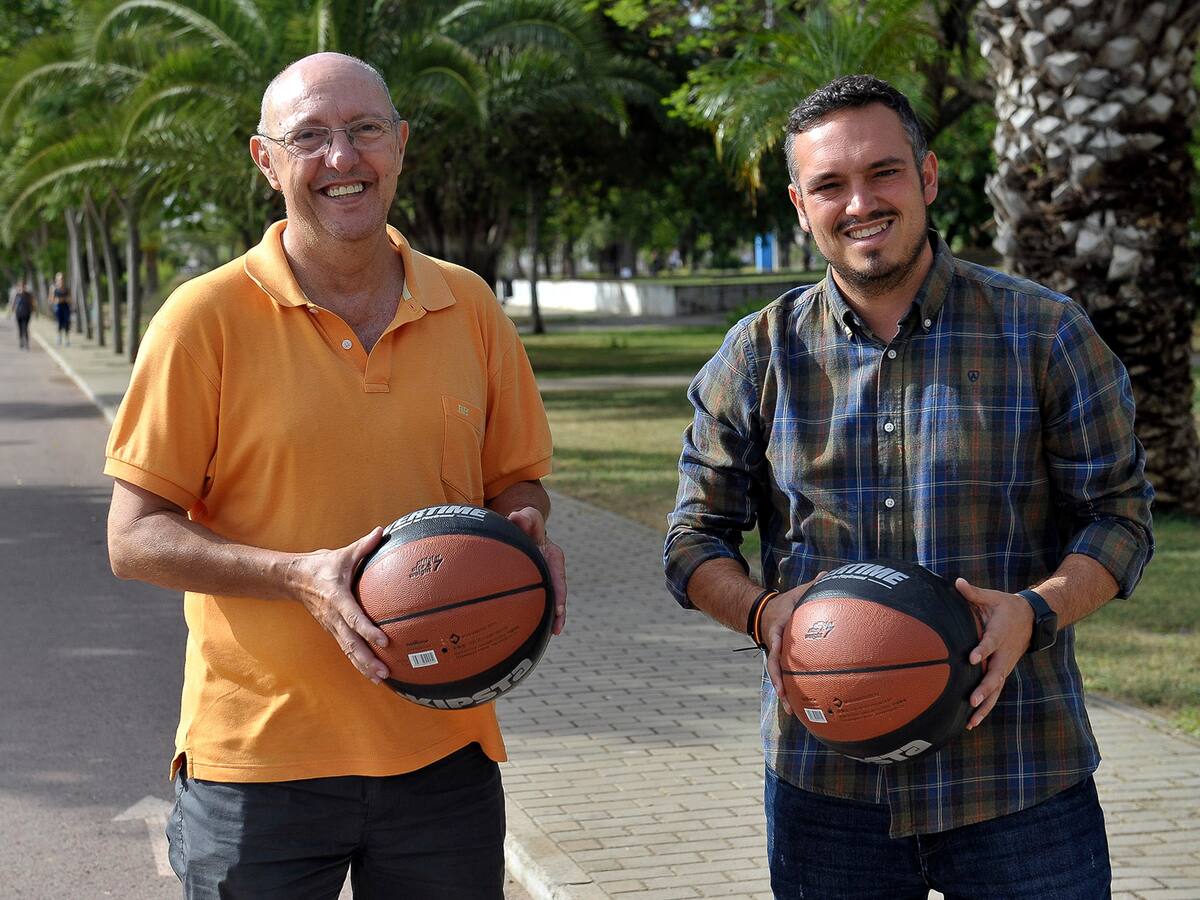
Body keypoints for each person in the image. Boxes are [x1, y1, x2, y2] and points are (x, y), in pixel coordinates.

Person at [664, 75, 1153, 899]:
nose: (860, 203)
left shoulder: (1046, 333)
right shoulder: (757, 354)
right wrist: (762, 612)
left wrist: (1034, 611)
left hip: (1018, 776)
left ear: (926, 176)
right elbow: (691, 540)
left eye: (882, 172)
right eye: (830, 184)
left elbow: (1119, 518)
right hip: (828, 787)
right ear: (800, 205)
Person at [105, 52, 566, 899]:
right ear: (265, 160)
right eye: (309, 136)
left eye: (364, 130)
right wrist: (298, 576)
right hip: (257, 767)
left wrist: (524, 530)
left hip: (443, 752)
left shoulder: (469, 306)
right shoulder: (202, 320)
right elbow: (133, 540)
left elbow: (517, 480)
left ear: (401, 144)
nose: (341, 157)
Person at [11, 279, 34, 349]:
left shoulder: (28, 294)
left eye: (23, 286)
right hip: (19, 314)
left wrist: (34, 311)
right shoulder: (17, 295)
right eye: (20, 286)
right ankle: (21, 341)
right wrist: (11, 311)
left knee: (25, 328)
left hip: (27, 314)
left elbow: (32, 303)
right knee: (20, 329)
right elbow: (13, 304)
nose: (22, 287)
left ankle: (26, 343)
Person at [51, 272, 71, 346]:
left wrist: (65, 299)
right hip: (58, 308)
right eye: (59, 279)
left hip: (65, 307)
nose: (61, 280)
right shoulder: (54, 289)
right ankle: (59, 337)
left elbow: (70, 299)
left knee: (66, 323)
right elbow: (51, 299)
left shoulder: (67, 288)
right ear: (56, 279)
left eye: (62, 278)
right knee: (59, 323)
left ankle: (67, 339)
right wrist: (57, 300)